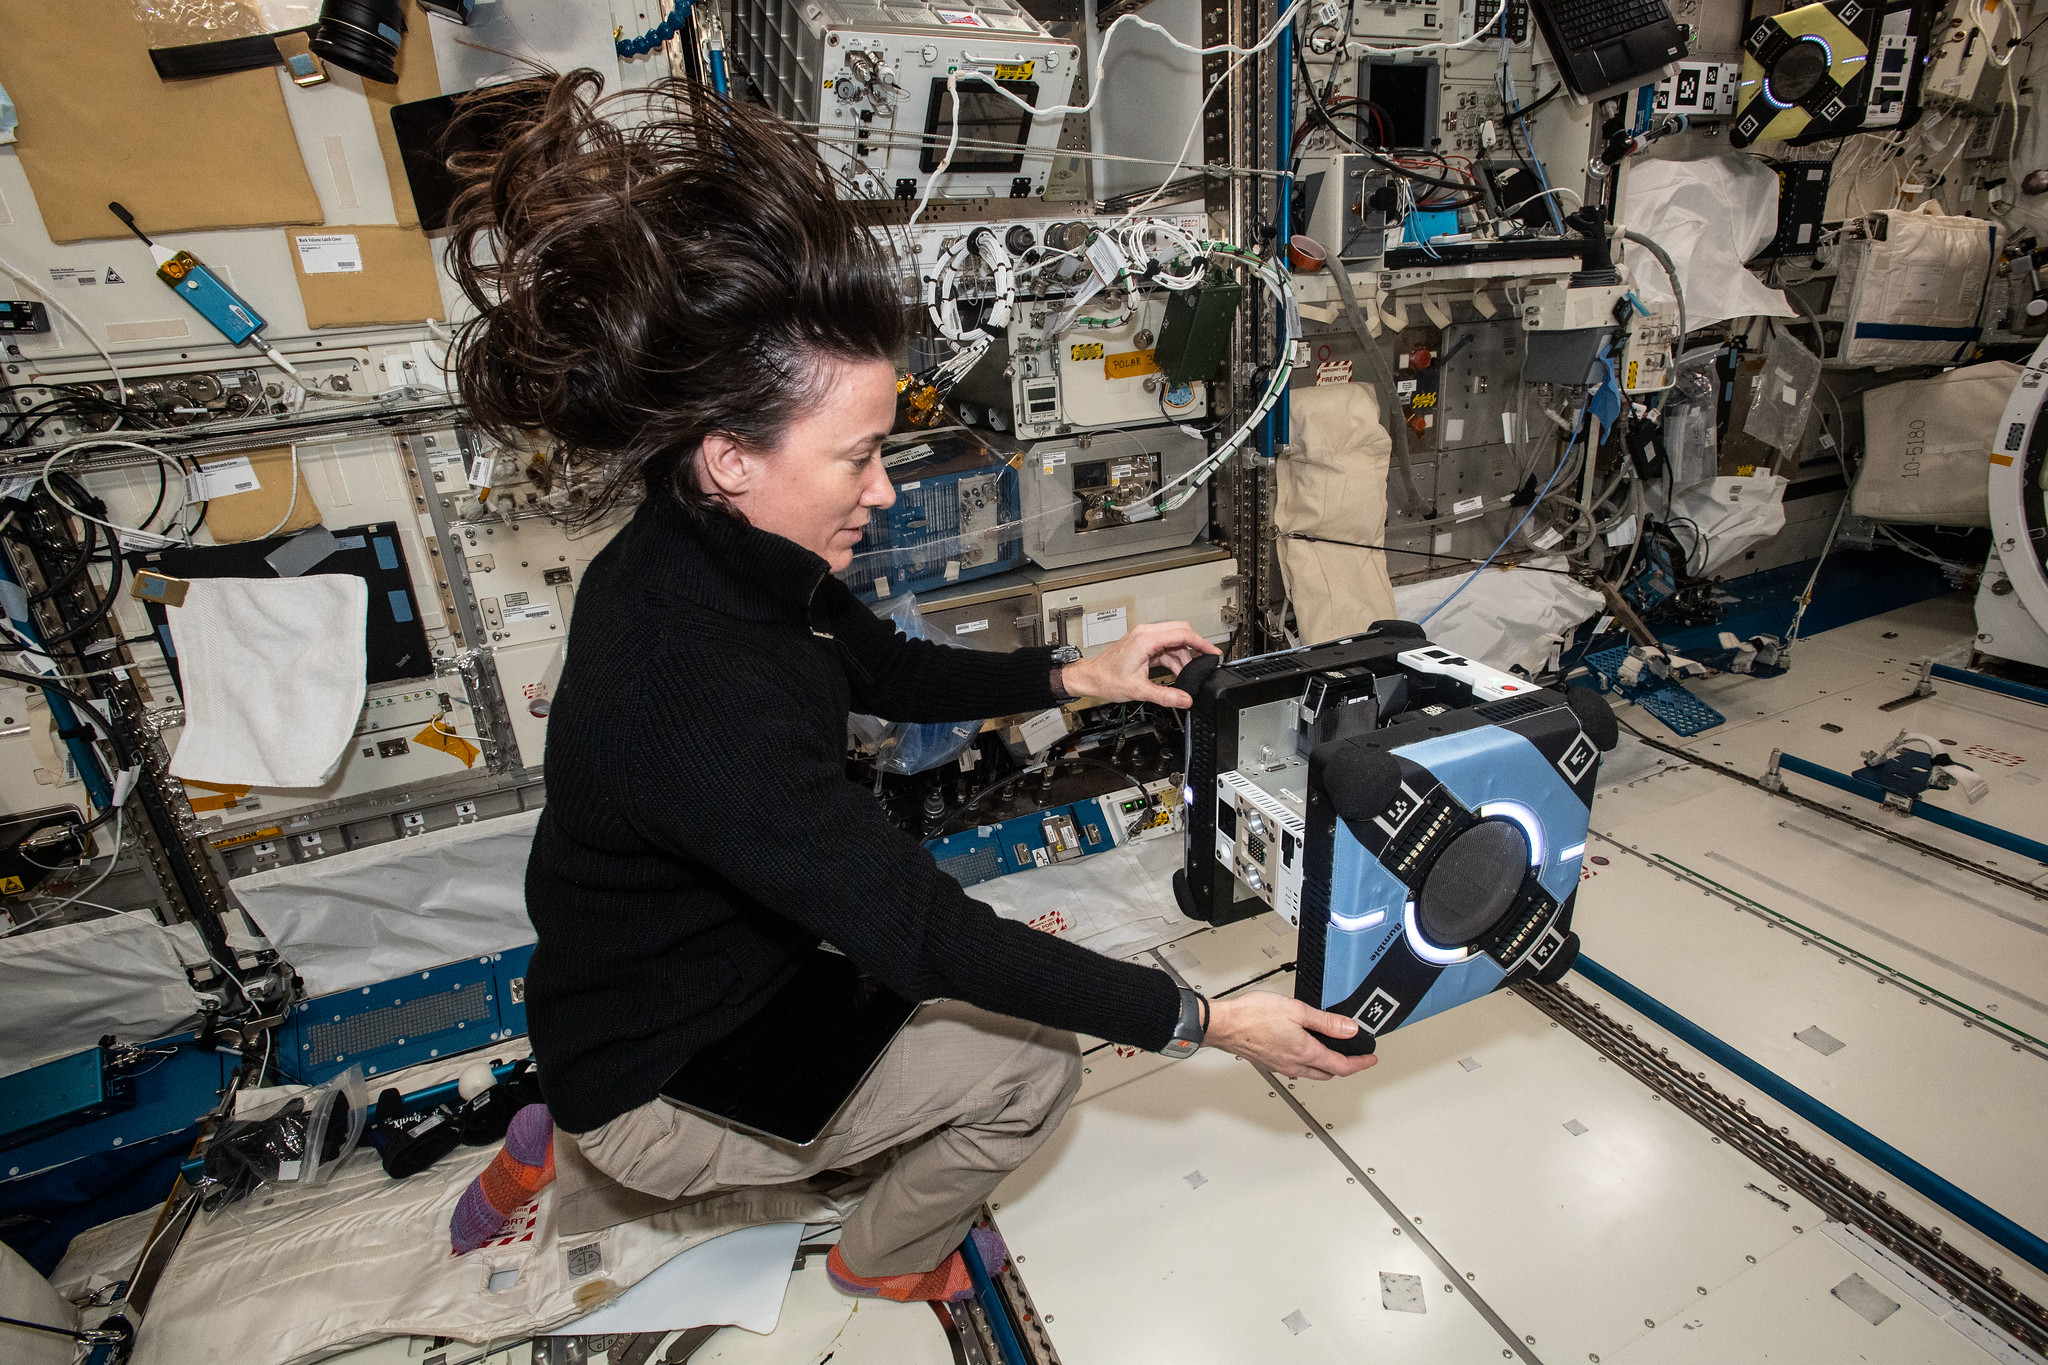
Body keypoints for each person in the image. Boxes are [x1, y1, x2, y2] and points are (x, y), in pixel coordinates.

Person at [446, 71, 1375, 1305]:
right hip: (663, 1068)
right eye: (859, 454)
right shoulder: (693, 691)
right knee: (1030, 1073)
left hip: (641, 997)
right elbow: (927, 937)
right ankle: (872, 1258)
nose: (883, 490)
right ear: (732, 455)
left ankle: (550, 1146)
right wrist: (1203, 1020)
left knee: (910, 1009)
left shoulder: (692, 544)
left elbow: (876, 666)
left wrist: (1069, 672)